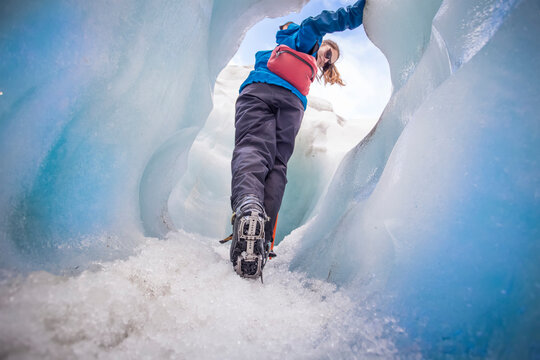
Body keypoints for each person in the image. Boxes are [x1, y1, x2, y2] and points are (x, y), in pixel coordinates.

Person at [228, 0, 366, 279]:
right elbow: (316, 23)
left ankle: (250, 218)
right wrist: (354, 15)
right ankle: (261, 239)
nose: (326, 60)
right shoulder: (302, 39)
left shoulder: (292, 46)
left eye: (329, 61)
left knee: (257, 151)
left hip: (263, 92)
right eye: (328, 53)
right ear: (321, 45)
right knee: (276, 163)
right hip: (288, 101)